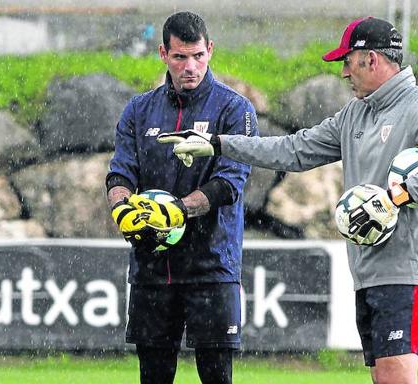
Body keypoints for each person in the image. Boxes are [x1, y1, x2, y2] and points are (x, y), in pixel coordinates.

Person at [158, 16, 418, 384]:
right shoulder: (355, 114)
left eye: (346, 62)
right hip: (368, 273)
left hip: (406, 271)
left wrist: (395, 196)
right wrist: (218, 143)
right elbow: (292, 150)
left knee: (397, 378)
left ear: (370, 59)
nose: (344, 73)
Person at [106, 11, 258, 384]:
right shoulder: (138, 111)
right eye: (179, 57)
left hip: (213, 267)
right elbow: (119, 174)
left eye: (198, 56)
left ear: (210, 50)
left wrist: (176, 211)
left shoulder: (235, 109)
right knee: (153, 377)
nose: (190, 67)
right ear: (163, 53)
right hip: (152, 267)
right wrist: (122, 207)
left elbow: (229, 184)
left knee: (216, 377)